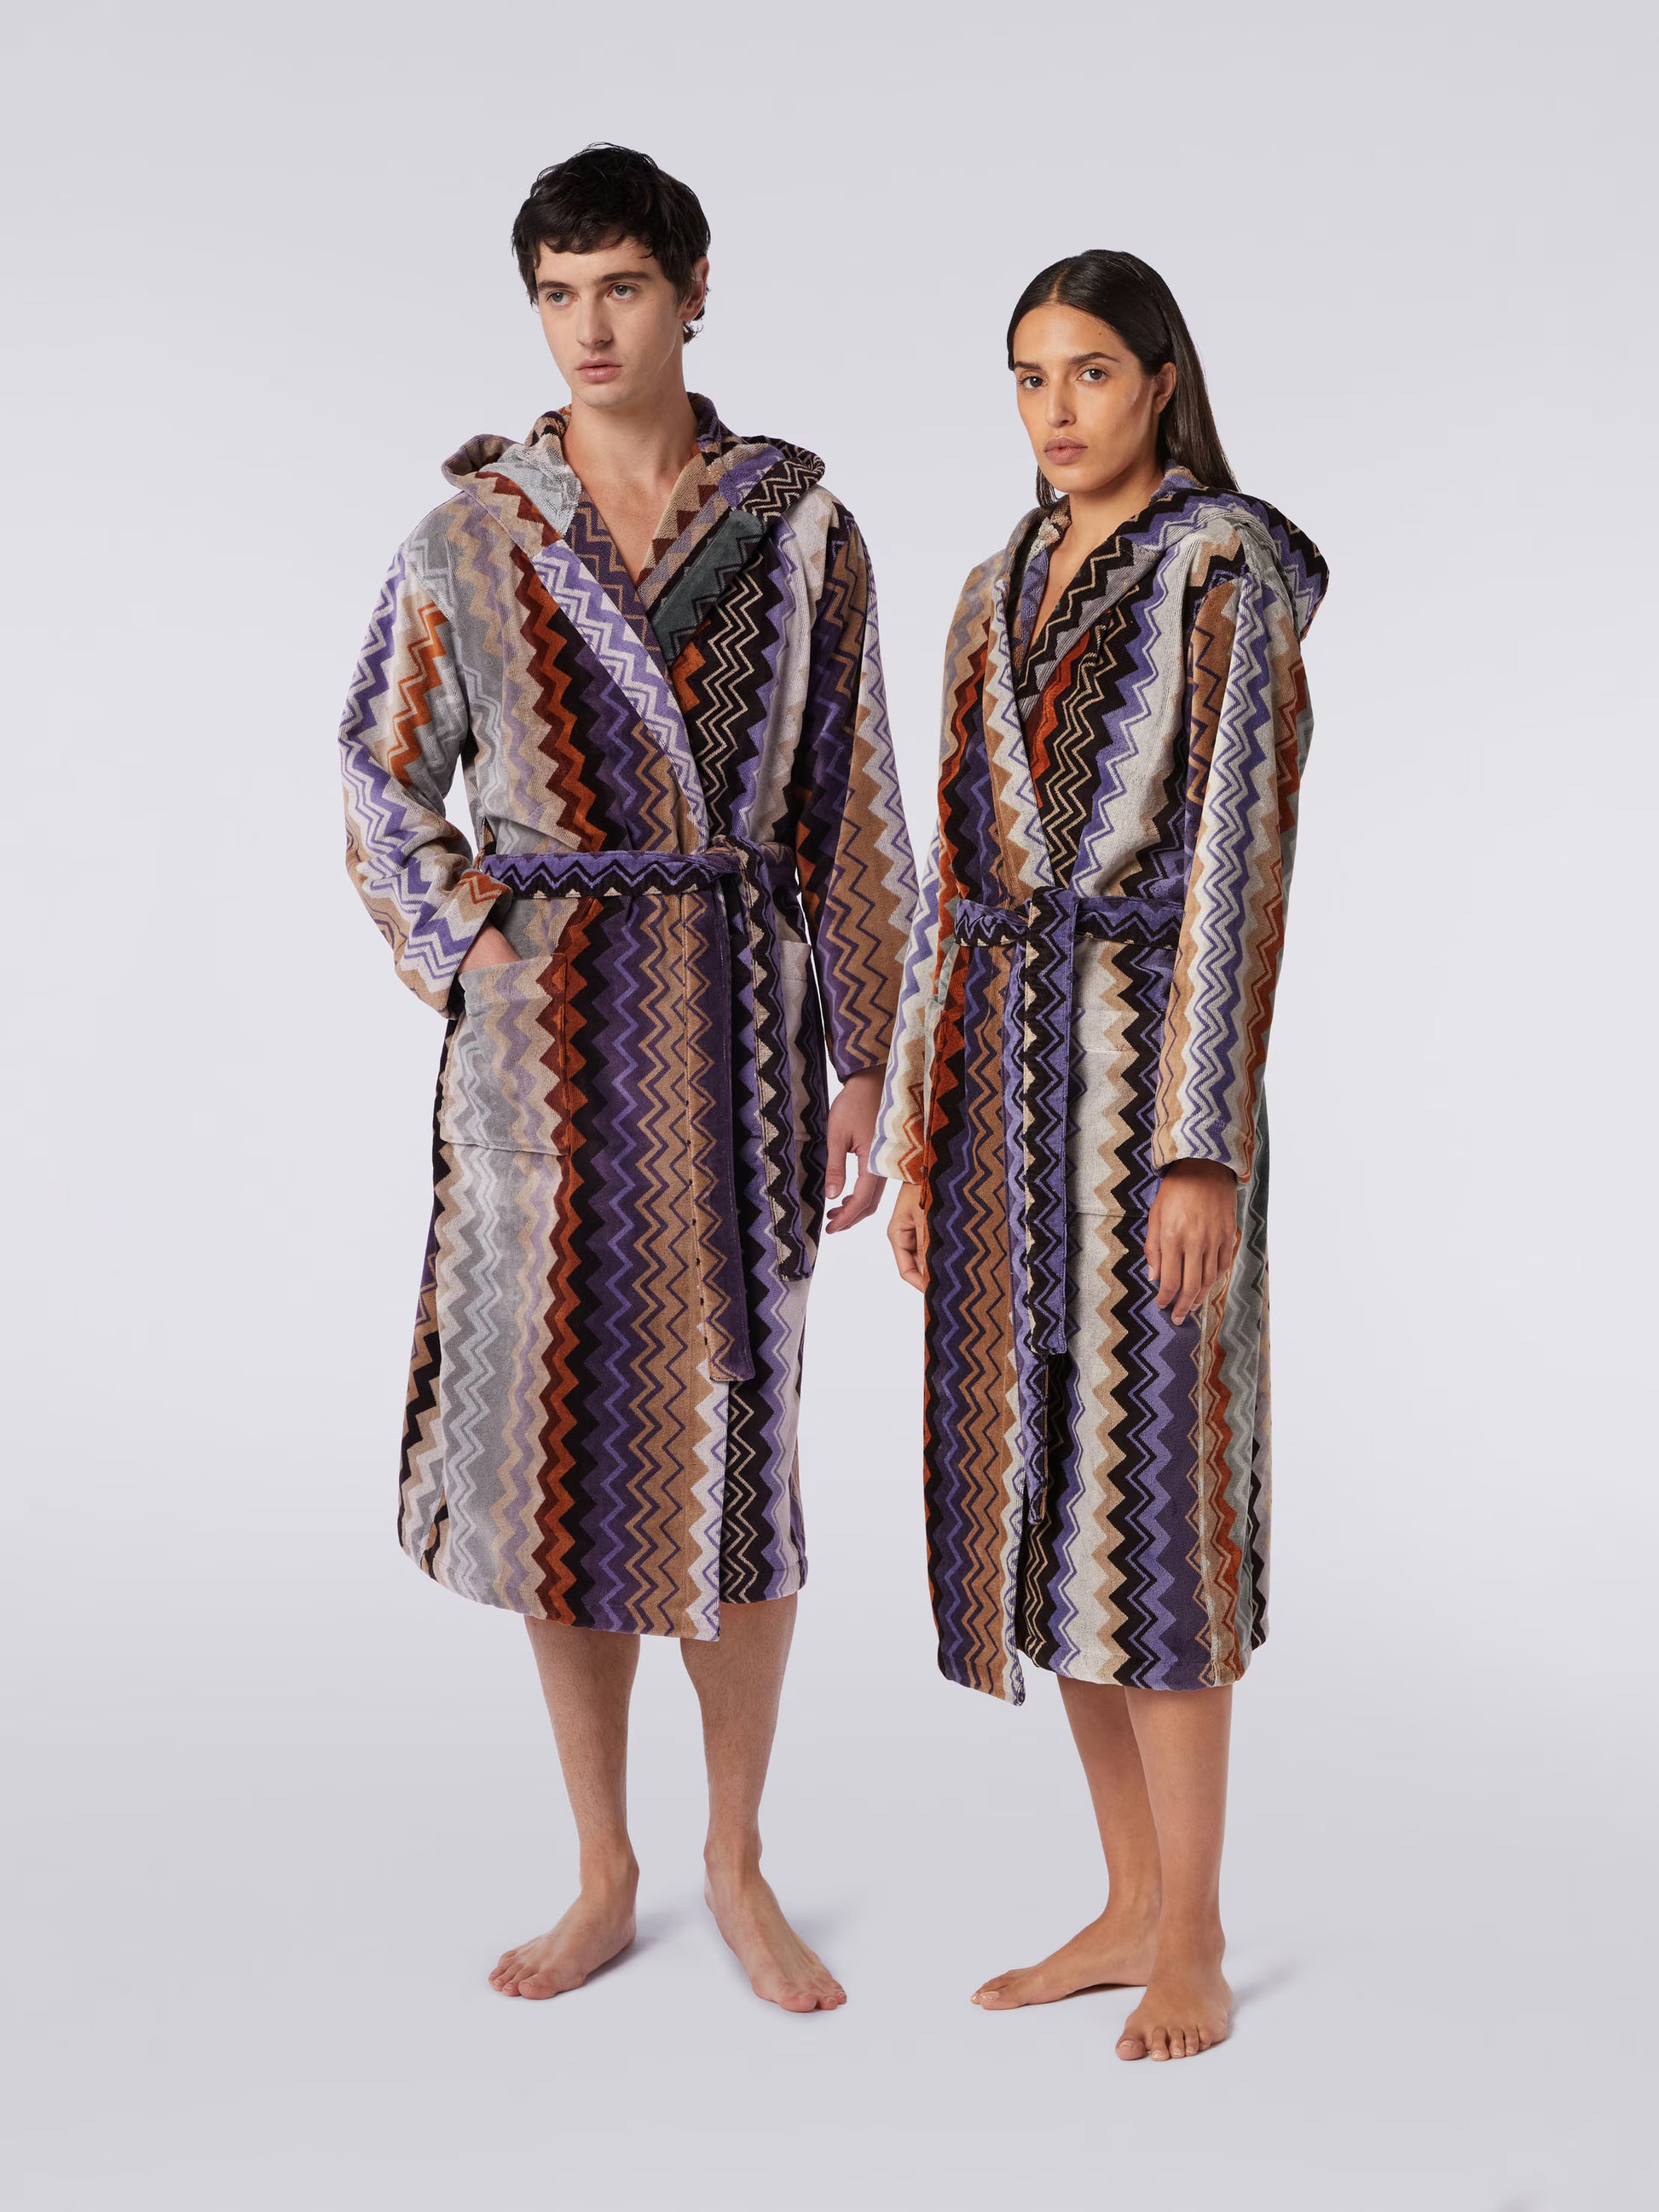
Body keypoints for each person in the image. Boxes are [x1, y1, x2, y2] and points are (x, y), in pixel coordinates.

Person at [338, 144, 914, 2012]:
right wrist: (474, 951)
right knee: (568, 1458)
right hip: (549, 1063)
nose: (590, 328)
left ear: (693, 290)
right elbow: (379, 773)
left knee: (743, 1457)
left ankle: (737, 1859)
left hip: (740, 1041)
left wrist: (867, 1061)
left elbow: (851, 808)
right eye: (558, 295)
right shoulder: (470, 539)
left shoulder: (802, 535)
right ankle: (605, 1865)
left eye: (623, 289)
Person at [876, 251, 1327, 2059]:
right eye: (1024, 376)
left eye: (1084, 373)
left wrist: (1199, 1148)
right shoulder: (987, 592)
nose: (1053, 409)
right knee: (1046, 1502)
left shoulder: (1222, 581)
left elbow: (1237, 867)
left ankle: (1194, 1930)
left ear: (1158, 383)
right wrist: (920, 1132)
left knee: (1157, 1511)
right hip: (999, 1100)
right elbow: (949, 880)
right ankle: (1126, 1896)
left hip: (1146, 1091)